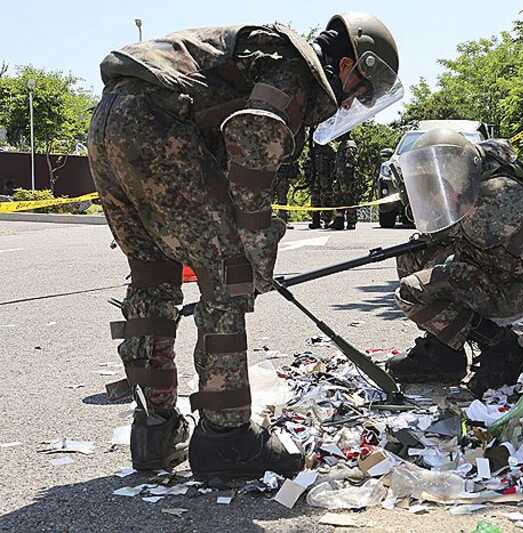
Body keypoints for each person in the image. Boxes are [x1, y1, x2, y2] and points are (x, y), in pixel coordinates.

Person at [87, 13, 401, 481]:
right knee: (228, 277)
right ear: (349, 66)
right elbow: (252, 135)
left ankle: (154, 432)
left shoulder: (261, 53)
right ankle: (227, 439)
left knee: (152, 278)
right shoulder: (295, 66)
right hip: (158, 126)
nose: (351, 102)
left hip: (110, 123)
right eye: (359, 91)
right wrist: (254, 248)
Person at [386, 129, 523, 396]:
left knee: (423, 284)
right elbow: (442, 236)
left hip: (515, 287)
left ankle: (499, 344)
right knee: (411, 260)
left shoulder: (495, 201)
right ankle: (445, 353)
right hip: (488, 269)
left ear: (457, 178)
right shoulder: (463, 197)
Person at [303, 135, 337, 229]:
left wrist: (333, 177)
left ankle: (327, 220)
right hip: (315, 178)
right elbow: (307, 164)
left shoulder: (330, 150)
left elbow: (334, 165)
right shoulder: (313, 150)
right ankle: (316, 221)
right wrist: (308, 176)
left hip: (326, 178)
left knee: (327, 199)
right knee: (315, 199)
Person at [331, 132, 359, 230]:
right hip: (340, 177)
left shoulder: (348, 145)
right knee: (338, 199)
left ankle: (351, 222)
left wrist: (346, 176)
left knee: (348, 199)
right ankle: (339, 221)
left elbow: (351, 162)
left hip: (347, 179)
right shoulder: (343, 144)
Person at [273, 160, 300, 228]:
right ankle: (266, 221)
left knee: (282, 200)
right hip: (270, 175)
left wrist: (294, 175)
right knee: (267, 199)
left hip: (283, 177)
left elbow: (293, 159)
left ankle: (283, 222)